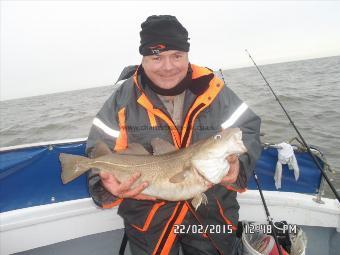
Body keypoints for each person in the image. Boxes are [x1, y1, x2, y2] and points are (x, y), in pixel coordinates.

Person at [86, 15, 262, 255]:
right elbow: (98, 149)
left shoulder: (215, 91)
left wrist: (238, 167)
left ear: (187, 55)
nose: (168, 67)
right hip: (148, 224)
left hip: (212, 218)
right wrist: (107, 186)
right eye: (157, 57)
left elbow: (247, 129)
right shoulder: (121, 101)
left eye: (177, 56)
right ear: (143, 58)